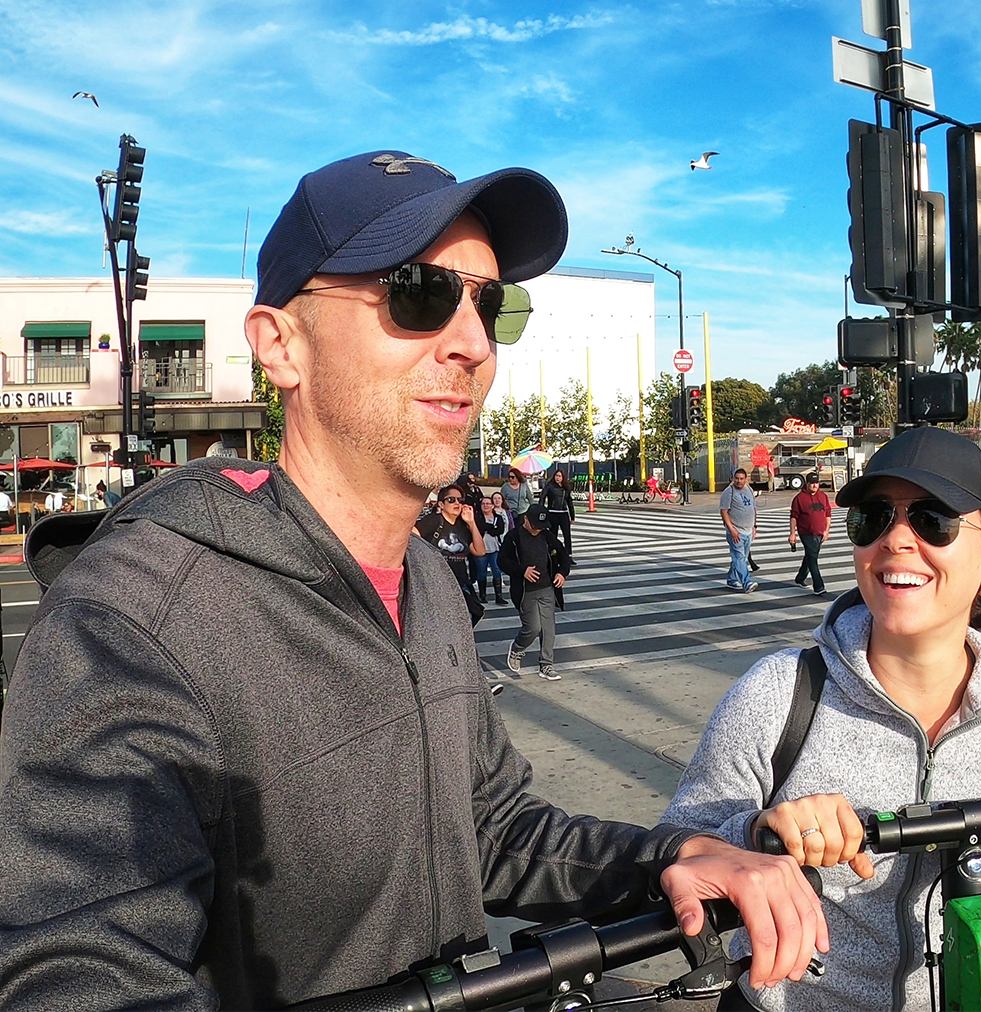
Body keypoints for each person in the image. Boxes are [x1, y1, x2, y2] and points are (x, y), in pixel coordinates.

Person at [0, 149, 824, 1009]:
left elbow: (490, 830)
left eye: (489, 304)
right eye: (416, 292)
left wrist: (675, 856)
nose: (471, 343)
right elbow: (76, 973)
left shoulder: (425, 581)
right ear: (279, 345)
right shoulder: (137, 616)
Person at [663, 428, 981, 1012]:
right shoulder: (780, 692)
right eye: (873, 518)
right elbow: (676, 843)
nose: (896, 539)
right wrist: (762, 832)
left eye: (934, 520)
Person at [499, 503, 570, 681]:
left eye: (542, 527)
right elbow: (502, 561)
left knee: (548, 629)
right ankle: (517, 649)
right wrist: (522, 571)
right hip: (525, 591)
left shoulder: (547, 536)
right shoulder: (514, 537)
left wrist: (562, 573)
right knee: (532, 628)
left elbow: (563, 555)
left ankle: (546, 665)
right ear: (526, 520)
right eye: (536, 527)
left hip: (547, 587)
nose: (538, 530)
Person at [415, 483, 486, 596]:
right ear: (441, 504)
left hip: (460, 584)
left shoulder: (463, 525)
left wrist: (471, 523)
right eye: (451, 499)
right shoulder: (433, 521)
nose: (457, 503)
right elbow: (411, 539)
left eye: (460, 500)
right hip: (435, 584)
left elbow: (480, 551)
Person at [788, 472, 831, 596]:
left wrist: (827, 530)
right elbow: (793, 517)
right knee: (813, 559)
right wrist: (792, 534)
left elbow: (828, 514)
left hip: (820, 532)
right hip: (806, 532)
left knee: (810, 555)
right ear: (806, 484)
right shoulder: (799, 498)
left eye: (816, 483)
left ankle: (800, 578)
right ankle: (819, 586)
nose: (814, 485)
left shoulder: (823, 496)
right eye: (811, 483)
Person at [720, 468, 757, 593]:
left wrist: (754, 527)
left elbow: (753, 509)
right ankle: (746, 582)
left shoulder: (749, 490)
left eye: (741, 479)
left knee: (741, 558)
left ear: (745, 479)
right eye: (736, 478)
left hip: (748, 530)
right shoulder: (729, 492)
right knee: (739, 557)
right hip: (736, 531)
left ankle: (731, 579)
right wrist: (731, 529)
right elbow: (724, 511)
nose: (739, 481)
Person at [480, 490, 509, 605]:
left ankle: (499, 596)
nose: (486, 506)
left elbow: (499, 530)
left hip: (495, 548)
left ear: (492, 506)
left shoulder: (498, 517)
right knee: (481, 573)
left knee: (497, 571)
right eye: (484, 504)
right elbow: (480, 527)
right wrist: (491, 528)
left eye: (488, 504)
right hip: (481, 549)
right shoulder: (478, 517)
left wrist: (490, 529)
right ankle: (482, 595)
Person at [539, 468, 575, 559]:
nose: (557, 478)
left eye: (559, 476)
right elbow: (542, 497)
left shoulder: (566, 488)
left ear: (563, 477)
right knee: (552, 535)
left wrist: (572, 516)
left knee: (567, 535)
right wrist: (542, 511)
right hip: (552, 513)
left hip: (563, 513)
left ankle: (568, 555)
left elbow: (569, 502)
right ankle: (552, 554)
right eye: (556, 476)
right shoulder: (549, 486)